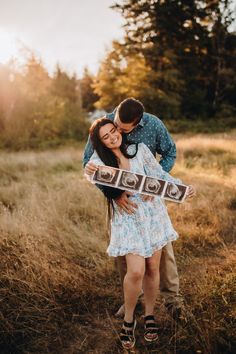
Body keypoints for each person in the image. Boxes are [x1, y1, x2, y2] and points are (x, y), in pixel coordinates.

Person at [84, 117, 195, 349]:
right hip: (128, 219)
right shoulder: (99, 160)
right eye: (106, 136)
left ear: (119, 130)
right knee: (135, 271)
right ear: (100, 142)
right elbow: (90, 173)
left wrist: (181, 188)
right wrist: (90, 170)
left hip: (152, 215)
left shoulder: (140, 150)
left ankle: (150, 315)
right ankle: (129, 320)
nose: (112, 137)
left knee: (153, 268)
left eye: (113, 131)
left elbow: (159, 175)